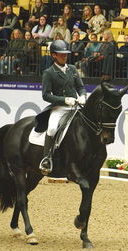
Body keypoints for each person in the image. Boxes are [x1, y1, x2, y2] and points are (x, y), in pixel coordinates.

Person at [39, 39, 87, 174]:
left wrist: (83, 96)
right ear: (53, 55)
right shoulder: (49, 73)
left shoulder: (72, 69)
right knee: (52, 129)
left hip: (75, 106)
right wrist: (64, 100)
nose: (64, 56)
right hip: (59, 108)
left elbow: (81, 87)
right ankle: (46, 159)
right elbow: (46, 95)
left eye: (66, 54)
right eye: (61, 54)